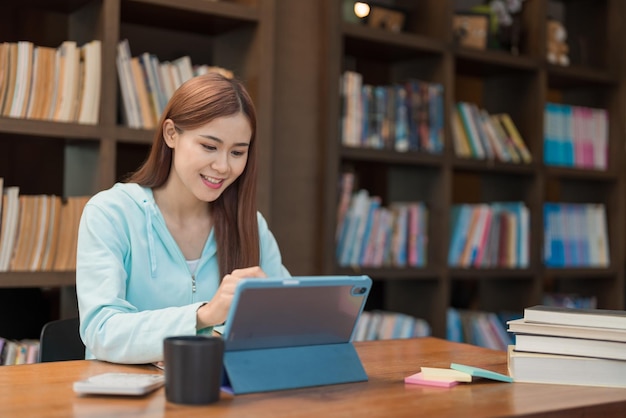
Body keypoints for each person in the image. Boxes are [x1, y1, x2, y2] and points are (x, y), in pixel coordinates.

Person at [76, 73, 290, 364]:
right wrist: (203, 316)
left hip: (221, 400)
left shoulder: (250, 224)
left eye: (238, 152)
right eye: (209, 147)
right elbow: (101, 330)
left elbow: (287, 322)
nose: (223, 166)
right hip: (128, 402)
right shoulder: (110, 213)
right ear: (171, 134)